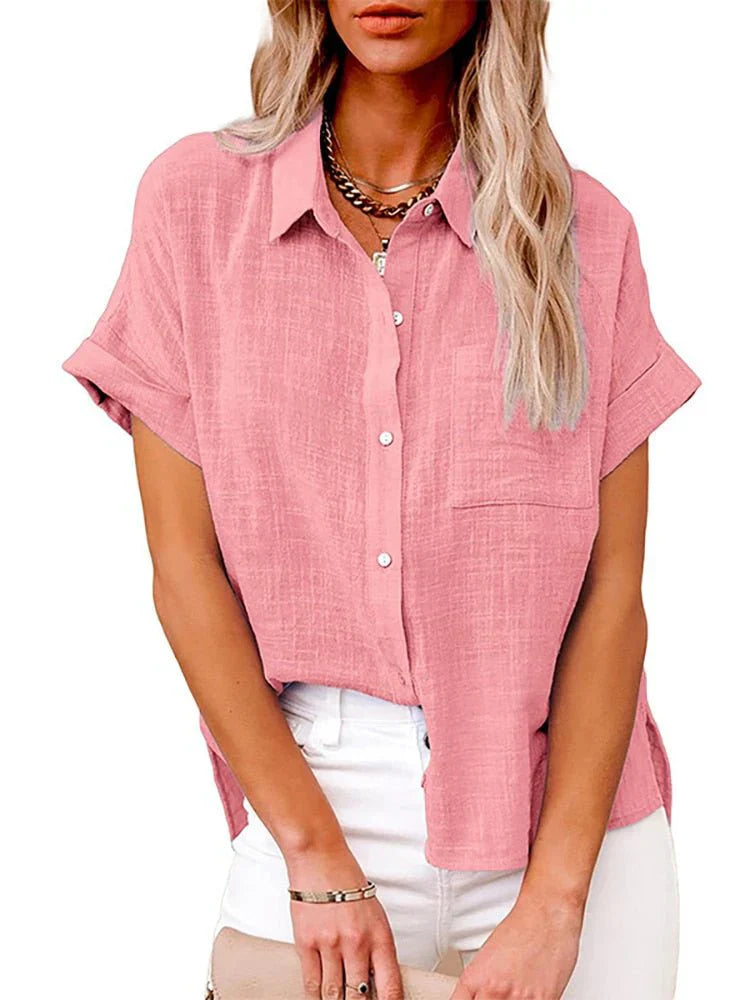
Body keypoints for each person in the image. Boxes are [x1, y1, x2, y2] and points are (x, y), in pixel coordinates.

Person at [60, 2, 702, 998]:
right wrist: (312, 854)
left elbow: (612, 592)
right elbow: (184, 568)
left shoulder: (588, 234)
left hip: (571, 826)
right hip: (317, 795)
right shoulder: (194, 205)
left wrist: (556, 901)